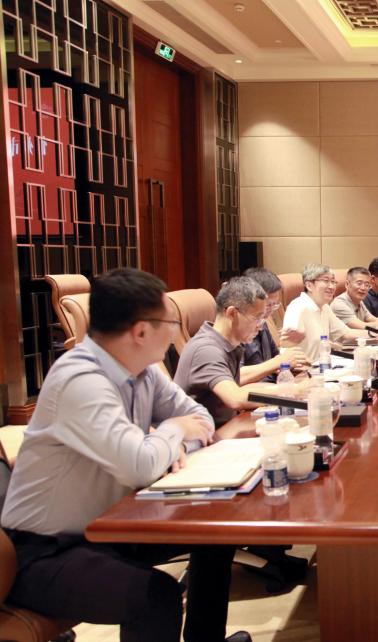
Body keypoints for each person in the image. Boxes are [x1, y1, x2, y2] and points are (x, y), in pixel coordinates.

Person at [0, 268, 249, 642]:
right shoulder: (81, 380)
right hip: (43, 551)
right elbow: (140, 466)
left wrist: (173, 444)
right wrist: (173, 432)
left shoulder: (142, 371)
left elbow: (200, 419)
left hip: (107, 527)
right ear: (141, 332)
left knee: (215, 534)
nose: (176, 332)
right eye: (171, 323)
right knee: (153, 597)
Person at [173, 277, 268, 426]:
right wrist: (289, 390)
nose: (260, 326)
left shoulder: (229, 344)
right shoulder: (206, 350)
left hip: (224, 429)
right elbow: (236, 398)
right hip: (203, 437)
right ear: (232, 313)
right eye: (257, 318)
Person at [282, 263, 365, 362]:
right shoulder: (297, 307)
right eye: (326, 281)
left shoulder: (325, 307)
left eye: (333, 282)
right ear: (309, 285)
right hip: (305, 368)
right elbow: (286, 349)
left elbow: (346, 333)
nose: (331, 286)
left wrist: (375, 334)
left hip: (323, 365)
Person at [239, 267, 308, 384]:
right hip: (256, 390)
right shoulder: (236, 329)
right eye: (268, 305)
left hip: (273, 385)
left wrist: (291, 358)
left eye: (274, 305)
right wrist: (278, 362)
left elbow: (276, 358)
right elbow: (235, 376)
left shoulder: (263, 323)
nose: (270, 311)